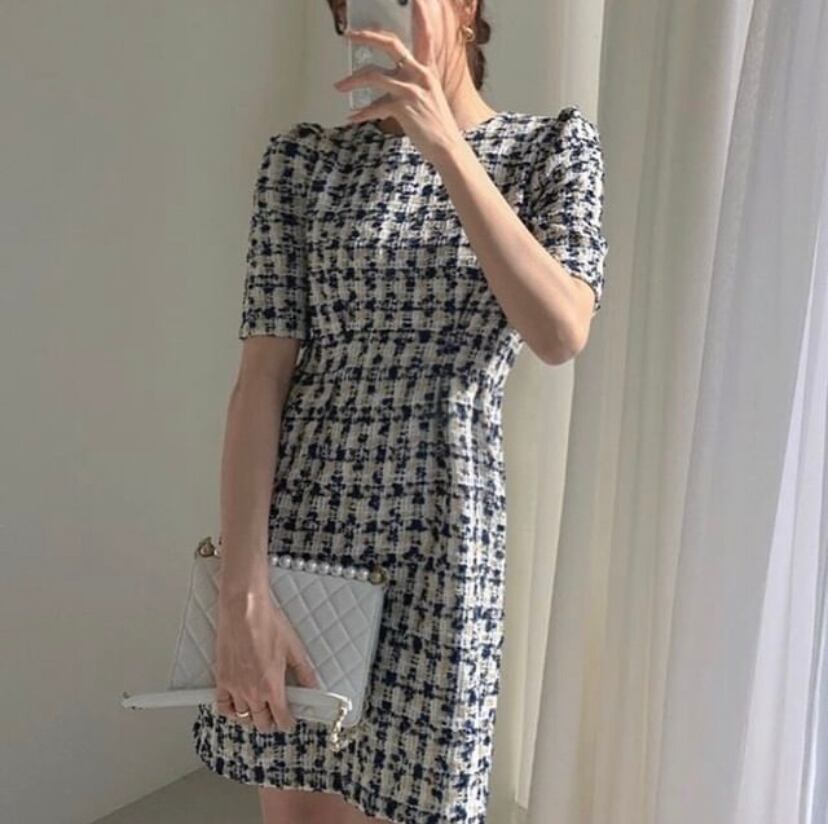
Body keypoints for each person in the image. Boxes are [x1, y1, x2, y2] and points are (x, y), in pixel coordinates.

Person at [192, 0, 609, 821]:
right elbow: (261, 382)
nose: (373, 20)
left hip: (442, 544)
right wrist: (243, 592)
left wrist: (445, 145)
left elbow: (560, 330)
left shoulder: (550, 149)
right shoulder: (303, 164)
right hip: (306, 538)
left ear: (465, 7)